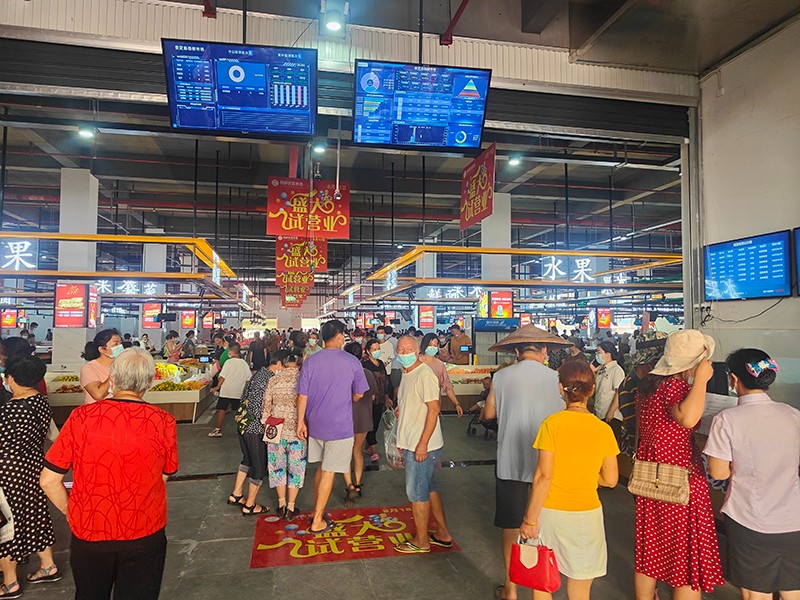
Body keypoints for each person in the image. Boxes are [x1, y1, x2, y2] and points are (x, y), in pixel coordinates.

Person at [40, 348, 178, 600]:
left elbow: (49, 480)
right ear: (150, 382)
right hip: (144, 531)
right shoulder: (163, 421)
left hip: (91, 531)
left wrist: (72, 512)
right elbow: (165, 474)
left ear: (112, 378)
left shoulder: (81, 417)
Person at [519, 359, 620, 600]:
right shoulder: (603, 430)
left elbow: (544, 476)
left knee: (542, 581)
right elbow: (610, 480)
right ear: (592, 390)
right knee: (580, 589)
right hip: (587, 517)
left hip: (551, 514)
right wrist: (584, 472)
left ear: (560, 388)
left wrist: (529, 520)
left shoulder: (551, 424)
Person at [634, 330, 724, 599]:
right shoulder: (675, 387)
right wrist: (702, 380)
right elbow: (687, 418)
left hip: (651, 475)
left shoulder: (649, 387)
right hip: (679, 477)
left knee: (650, 547)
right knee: (684, 553)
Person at [704, 349, 800, 600]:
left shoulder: (726, 419)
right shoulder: (793, 414)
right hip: (794, 520)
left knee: (756, 594)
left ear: (734, 379)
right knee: (793, 590)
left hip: (749, 520)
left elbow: (718, 472)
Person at [483, 325, 568, 600]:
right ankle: (540, 586)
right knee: (541, 522)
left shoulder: (501, 376)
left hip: (510, 461)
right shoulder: (557, 377)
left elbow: (488, 413)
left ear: (517, 351)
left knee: (511, 525)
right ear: (544, 350)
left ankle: (511, 589)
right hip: (547, 463)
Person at [296, 320, 369, 535]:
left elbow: (302, 395)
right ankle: (318, 520)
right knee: (329, 471)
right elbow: (359, 393)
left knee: (321, 468)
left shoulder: (310, 361)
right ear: (338, 337)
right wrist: (350, 398)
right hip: (339, 426)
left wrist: (300, 422)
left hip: (316, 424)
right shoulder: (352, 361)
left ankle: (315, 510)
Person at [0, 356, 59, 599]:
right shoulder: (40, 401)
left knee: (7, 525)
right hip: (34, 466)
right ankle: (48, 566)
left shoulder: (10, 410)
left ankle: (10, 583)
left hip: (8, 472)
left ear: (12, 378)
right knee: (34, 513)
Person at [392, 335, 454, 554]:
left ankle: (421, 541)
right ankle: (443, 534)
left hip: (421, 444)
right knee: (429, 487)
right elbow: (415, 404)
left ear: (418, 350)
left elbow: (434, 410)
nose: (404, 353)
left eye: (409, 349)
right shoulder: (407, 373)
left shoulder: (424, 374)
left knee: (417, 493)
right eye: (401, 349)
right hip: (413, 441)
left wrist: (422, 445)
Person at [229, 350, 284, 516]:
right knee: (259, 467)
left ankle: (236, 494)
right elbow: (263, 407)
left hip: (243, 423)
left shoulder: (259, 374)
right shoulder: (270, 379)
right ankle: (250, 504)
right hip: (255, 428)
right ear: (279, 364)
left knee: (247, 460)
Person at [263, 349, 305, 520]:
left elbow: (266, 407)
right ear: (300, 364)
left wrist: (266, 428)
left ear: (285, 364)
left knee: (277, 467)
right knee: (296, 468)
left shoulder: (273, 380)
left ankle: (281, 504)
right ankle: (291, 507)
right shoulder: (303, 380)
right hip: (297, 431)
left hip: (275, 431)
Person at [616, 331, 667, 456]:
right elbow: (636, 426)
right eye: (655, 363)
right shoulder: (629, 387)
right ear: (646, 364)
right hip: (642, 451)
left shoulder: (650, 382)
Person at [340, 342, 376, 505]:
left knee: (345, 453)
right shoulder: (367, 373)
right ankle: (358, 483)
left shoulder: (342, 374)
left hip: (345, 418)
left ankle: (350, 486)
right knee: (357, 451)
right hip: (363, 417)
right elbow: (373, 396)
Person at [208, 342, 251, 438]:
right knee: (239, 411)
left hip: (226, 390)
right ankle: (241, 429)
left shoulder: (228, 362)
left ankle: (217, 429)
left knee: (221, 409)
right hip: (238, 391)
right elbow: (248, 379)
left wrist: (217, 387)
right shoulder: (244, 363)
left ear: (231, 351)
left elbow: (222, 377)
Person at [362, 338, 393, 463]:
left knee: (376, 422)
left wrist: (387, 397)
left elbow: (386, 381)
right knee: (370, 423)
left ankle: (367, 446)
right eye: (374, 349)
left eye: (378, 349)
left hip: (380, 399)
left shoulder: (380, 363)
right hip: (368, 400)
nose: (377, 351)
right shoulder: (364, 365)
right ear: (368, 351)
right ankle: (373, 450)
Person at [419, 333, 464, 416]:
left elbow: (447, 387)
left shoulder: (439, 364)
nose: (432, 348)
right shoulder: (416, 362)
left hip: (434, 405)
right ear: (424, 345)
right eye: (430, 345)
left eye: (435, 345)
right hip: (417, 403)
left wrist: (456, 404)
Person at [80, 329, 122, 404]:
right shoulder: (89, 368)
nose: (120, 347)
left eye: (120, 343)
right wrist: (115, 374)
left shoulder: (122, 366)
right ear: (102, 349)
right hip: (97, 410)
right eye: (116, 344)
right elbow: (98, 395)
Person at [592, 341, 625, 439]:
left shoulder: (616, 370)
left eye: (599, 352)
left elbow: (618, 392)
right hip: (600, 413)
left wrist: (611, 411)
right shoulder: (601, 369)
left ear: (608, 354)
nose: (597, 355)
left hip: (611, 416)